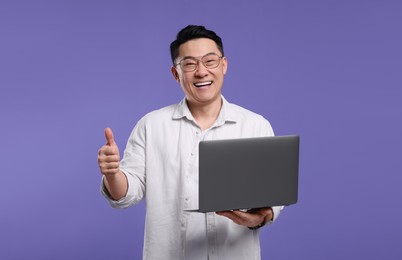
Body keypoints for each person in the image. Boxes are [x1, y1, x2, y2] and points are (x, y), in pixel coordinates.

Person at [98, 25, 284, 260]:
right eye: (189, 64)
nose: (201, 72)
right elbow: (127, 194)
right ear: (176, 74)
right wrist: (112, 173)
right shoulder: (152, 125)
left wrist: (263, 214)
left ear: (224, 65)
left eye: (210, 61)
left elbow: (272, 194)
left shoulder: (255, 125)